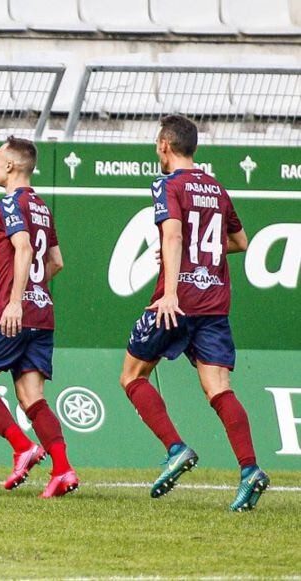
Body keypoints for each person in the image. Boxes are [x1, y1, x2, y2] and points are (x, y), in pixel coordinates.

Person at [119, 115, 269, 511]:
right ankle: (249, 469)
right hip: (214, 302)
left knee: (132, 375)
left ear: (165, 146)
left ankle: (176, 448)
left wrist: (169, 290)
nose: (157, 150)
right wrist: (194, 255)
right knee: (219, 389)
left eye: (157, 144)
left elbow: (172, 232)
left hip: (178, 300)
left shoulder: (168, 184)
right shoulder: (216, 188)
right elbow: (241, 241)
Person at [0, 136, 77, 498]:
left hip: (13, 313)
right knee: (31, 396)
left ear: (10, 165)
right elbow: (56, 262)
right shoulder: (42, 207)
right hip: (42, 314)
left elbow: (23, 247)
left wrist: (14, 300)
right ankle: (63, 470)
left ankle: (22, 447)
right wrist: (34, 289)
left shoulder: (10, 202)